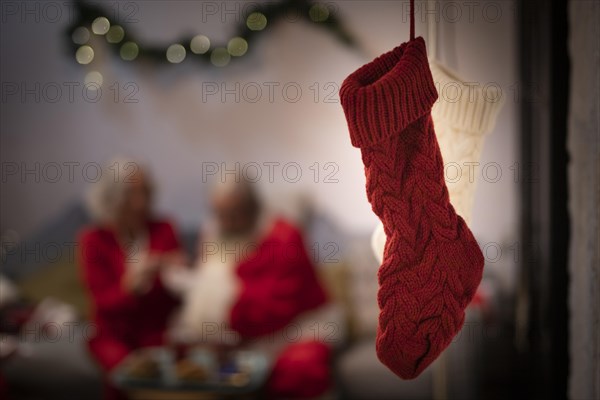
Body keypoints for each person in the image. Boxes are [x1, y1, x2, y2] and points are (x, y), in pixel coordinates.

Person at [170, 174, 342, 399]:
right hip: (233, 337)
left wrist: (231, 330)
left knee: (296, 372)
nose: (226, 222)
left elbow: (278, 306)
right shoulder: (214, 234)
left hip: (297, 328)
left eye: (234, 214)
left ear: (253, 207)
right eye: (220, 214)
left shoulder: (283, 236)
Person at [78, 158, 186, 400]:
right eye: (131, 194)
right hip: (115, 334)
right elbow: (103, 303)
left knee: (178, 372)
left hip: (159, 330)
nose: (141, 202)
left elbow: (177, 292)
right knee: (129, 376)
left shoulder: (164, 228)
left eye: (145, 191)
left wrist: (179, 272)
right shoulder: (93, 240)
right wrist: (130, 287)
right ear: (112, 198)